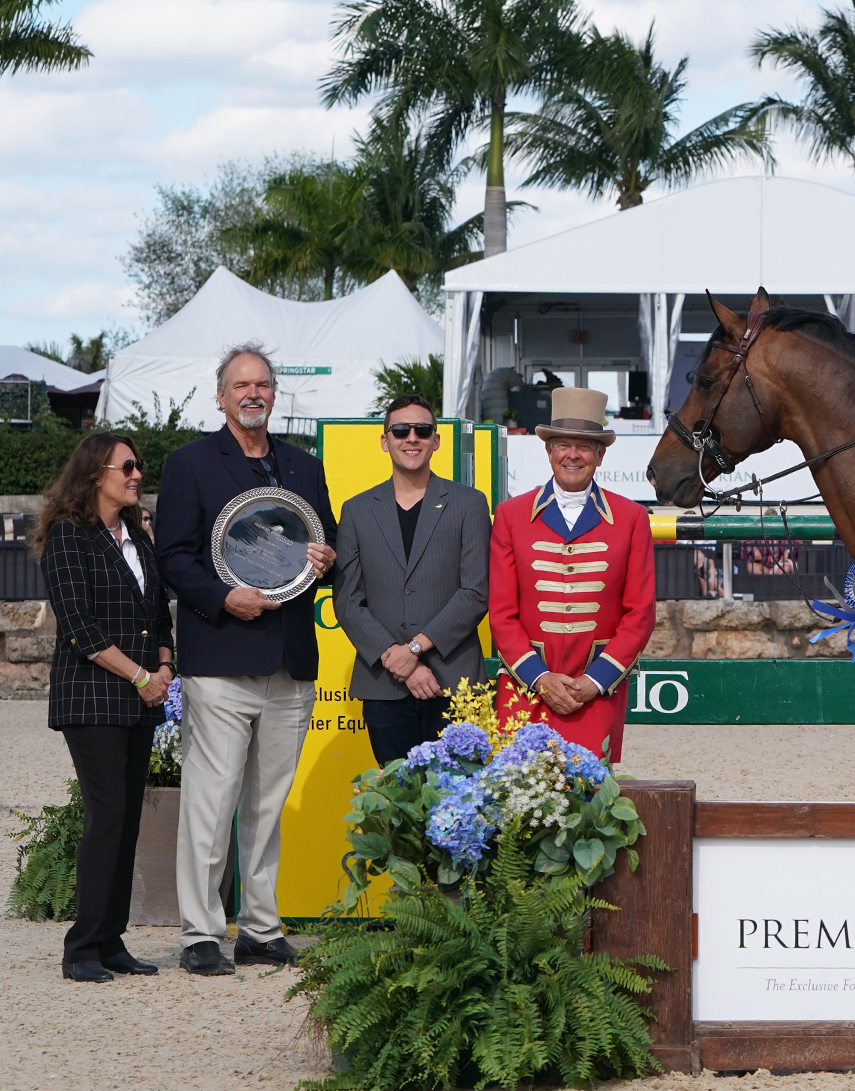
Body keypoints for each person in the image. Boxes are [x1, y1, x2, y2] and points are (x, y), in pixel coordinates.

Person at [155, 342, 338, 976]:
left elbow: (324, 543)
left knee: (267, 805)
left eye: (262, 384)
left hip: (289, 661)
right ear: (221, 395)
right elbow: (173, 558)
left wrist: (326, 560)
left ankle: (260, 927)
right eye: (241, 385)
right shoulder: (191, 464)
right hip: (221, 660)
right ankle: (201, 932)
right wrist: (220, 596)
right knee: (211, 800)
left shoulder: (303, 467)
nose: (252, 393)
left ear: (274, 393)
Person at [34, 433, 175, 982]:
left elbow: (159, 614)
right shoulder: (69, 536)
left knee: (129, 817)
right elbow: (79, 627)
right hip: (92, 695)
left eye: (139, 466)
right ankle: (81, 947)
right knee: (108, 812)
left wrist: (164, 667)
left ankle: (112, 939)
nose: (137, 475)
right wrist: (142, 675)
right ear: (96, 473)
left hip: (141, 694)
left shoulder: (139, 540)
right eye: (128, 466)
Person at [488, 387, 654, 761]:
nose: (573, 455)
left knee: (591, 805)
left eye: (584, 445)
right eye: (563, 444)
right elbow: (501, 612)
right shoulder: (511, 516)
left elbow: (640, 614)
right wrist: (540, 678)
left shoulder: (631, 518)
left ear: (600, 454)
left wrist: (594, 682)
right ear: (549, 451)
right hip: (526, 689)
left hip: (594, 694)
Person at [335, 395, 491, 764]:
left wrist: (416, 650)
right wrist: (396, 659)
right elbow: (347, 600)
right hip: (384, 686)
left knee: (458, 807)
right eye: (401, 430)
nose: (412, 438)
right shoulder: (356, 510)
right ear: (385, 440)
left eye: (422, 430)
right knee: (395, 805)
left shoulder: (469, 503)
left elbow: (475, 591)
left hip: (454, 682)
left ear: (436, 440)